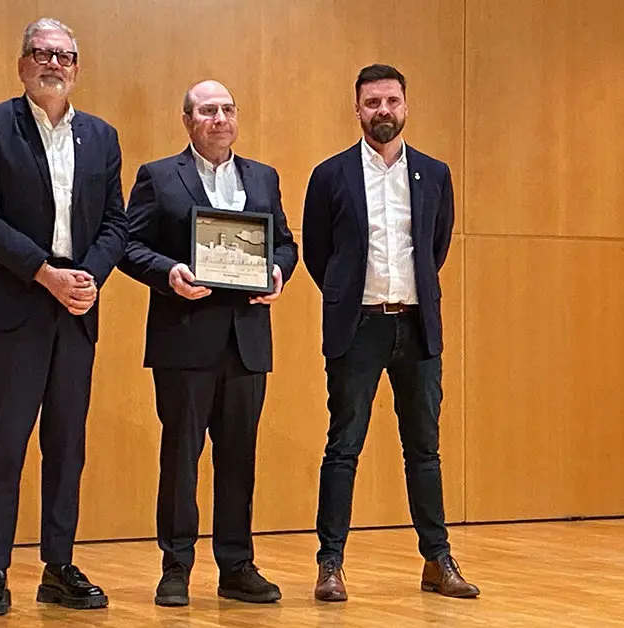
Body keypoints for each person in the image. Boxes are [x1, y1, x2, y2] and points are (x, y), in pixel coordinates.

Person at [0, 17, 128, 616]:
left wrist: (87, 278)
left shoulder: (102, 137)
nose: (54, 63)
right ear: (23, 63)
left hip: (74, 308)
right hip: (11, 305)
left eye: (65, 55)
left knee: (67, 443)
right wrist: (44, 272)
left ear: (77, 67)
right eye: (42, 53)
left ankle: (57, 564)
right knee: (5, 444)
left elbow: (115, 225)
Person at [302, 64, 479, 602]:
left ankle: (437, 560)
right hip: (358, 327)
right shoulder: (330, 175)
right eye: (373, 102)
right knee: (343, 448)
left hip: (418, 327)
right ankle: (330, 564)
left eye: (392, 101)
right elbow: (317, 254)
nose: (384, 110)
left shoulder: (435, 172)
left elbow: (436, 247)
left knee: (424, 450)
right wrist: (350, 300)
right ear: (357, 109)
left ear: (406, 106)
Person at [119, 80, 298, 606]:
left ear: (236, 117)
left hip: (246, 340)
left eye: (226, 109)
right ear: (188, 121)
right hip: (184, 338)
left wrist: (277, 272)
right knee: (181, 456)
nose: (218, 118)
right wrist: (168, 271)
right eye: (206, 110)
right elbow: (129, 244)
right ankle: (175, 567)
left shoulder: (263, 177)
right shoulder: (157, 177)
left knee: (240, 456)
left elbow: (285, 243)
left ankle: (237, 566)